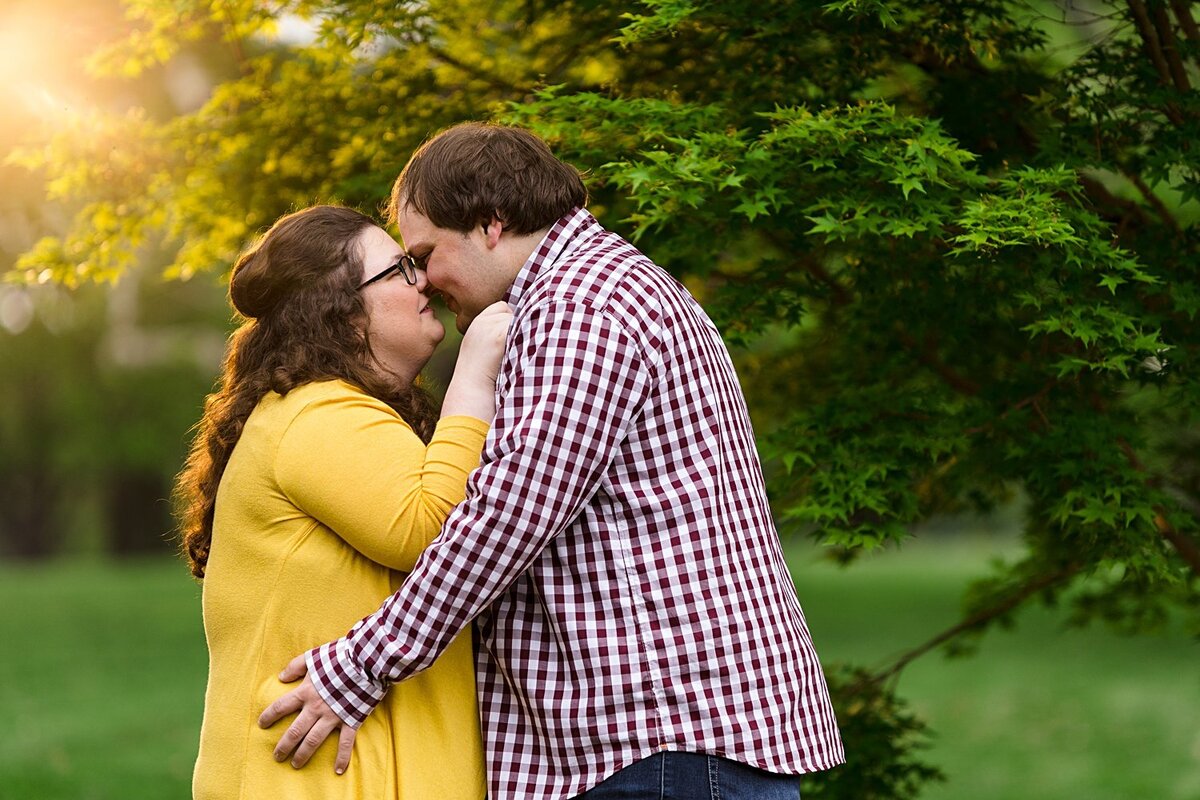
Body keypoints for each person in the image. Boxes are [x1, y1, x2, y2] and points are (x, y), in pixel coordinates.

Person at [259, 125, 846, 800]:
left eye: (425, 254)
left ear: (490, 223)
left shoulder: (581, 307)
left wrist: (358, 668)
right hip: (658, 751)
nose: (422, 281)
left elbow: (506, 518)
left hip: (662, 746)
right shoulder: (587, 293)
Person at [176, 204, 511, 799]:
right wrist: (475, 372)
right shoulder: (316, 412)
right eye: (400, 270)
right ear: (341, 311)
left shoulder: (335, 413)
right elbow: (436, 528)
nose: (424, 280)